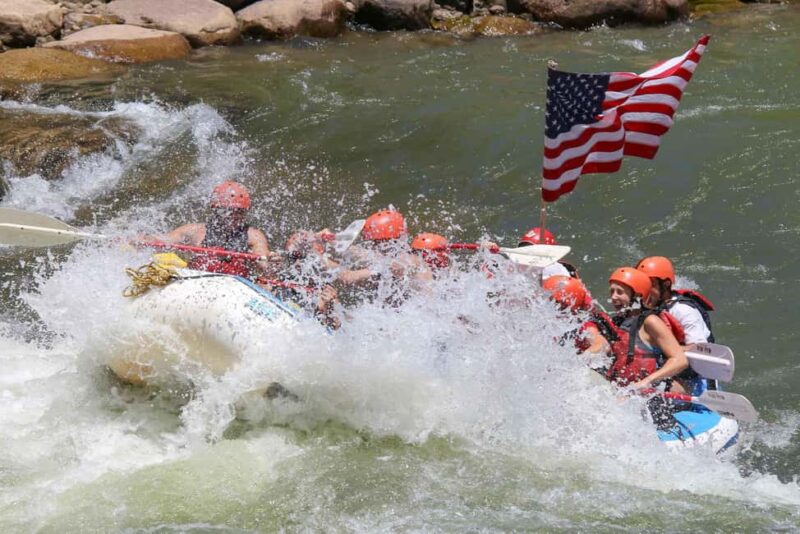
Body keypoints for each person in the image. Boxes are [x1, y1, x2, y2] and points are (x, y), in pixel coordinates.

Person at [162, 181, 280, 279]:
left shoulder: (253, 236)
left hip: (234, 289)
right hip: (196, 283)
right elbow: (163, 241)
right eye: (228, 211)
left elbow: (263, 261)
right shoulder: (194, 231)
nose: (234, 217)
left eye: (239, 212)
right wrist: (148, 239)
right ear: (216, 210)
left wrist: (271, 264)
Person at [602, 267, 689, 392]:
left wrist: (646, 382)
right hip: (627, 388)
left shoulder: (650, 321)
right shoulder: (618, 322)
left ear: (637, 295)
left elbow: (680, 360)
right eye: (612, 292)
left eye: (620, 292)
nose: (613, 297)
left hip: (653, 390)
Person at [635, 256, 715, 345]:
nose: (644, 290)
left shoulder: (684, 311)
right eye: (642, 284)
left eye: (650, 284)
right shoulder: (641, 307)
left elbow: (699, 351)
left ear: (666, 284)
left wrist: (669, 350)